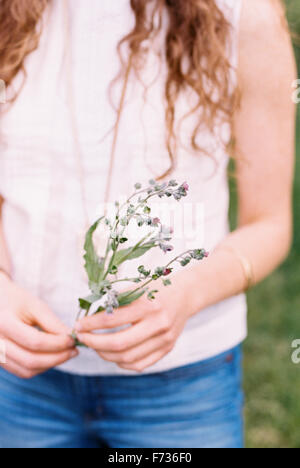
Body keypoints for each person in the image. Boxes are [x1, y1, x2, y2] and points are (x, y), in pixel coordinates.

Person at [0, 0, 296, 448]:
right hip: (20, 379)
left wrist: (187, 295)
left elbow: (270, 224)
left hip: (182, 386)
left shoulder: (244, 12)